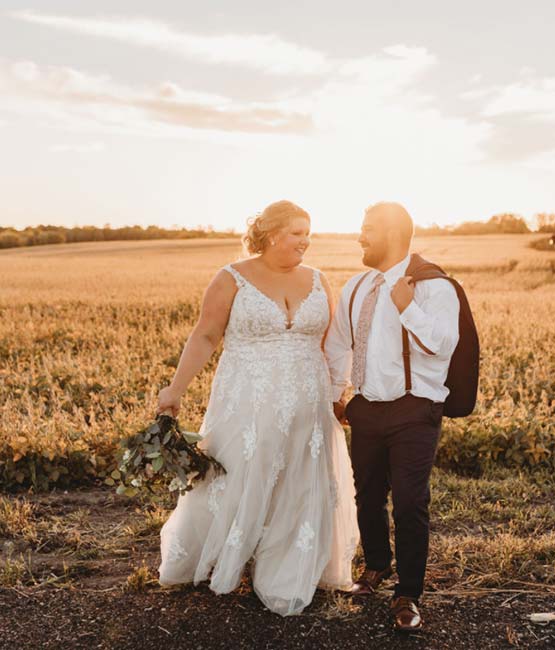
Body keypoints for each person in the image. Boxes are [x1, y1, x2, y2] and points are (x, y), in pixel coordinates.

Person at [156, 200, 359, 616]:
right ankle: (228, 555)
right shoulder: (232, 277)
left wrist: (340, 394)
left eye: (309, 233)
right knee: (243, 472)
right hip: (246, 399)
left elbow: (333, 344)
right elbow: (206, 335)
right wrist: (175, 389)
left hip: (308, 400)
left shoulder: (320, 280)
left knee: (301, 480)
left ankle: (289, 566)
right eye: (297, 233)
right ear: (271, 235)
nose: (306, 241)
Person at [324, 202, 460, 632]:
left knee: (409, 501)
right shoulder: (357, 286)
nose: (359, 237)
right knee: (366, 494)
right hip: (365, 407)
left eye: (367, 230)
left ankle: (408, 593)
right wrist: (336, 395)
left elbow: (441, 345)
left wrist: (406, 306)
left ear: (394, 234)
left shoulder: (434, 287)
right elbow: (338, 344)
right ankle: (376, 567)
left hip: (414, 408)